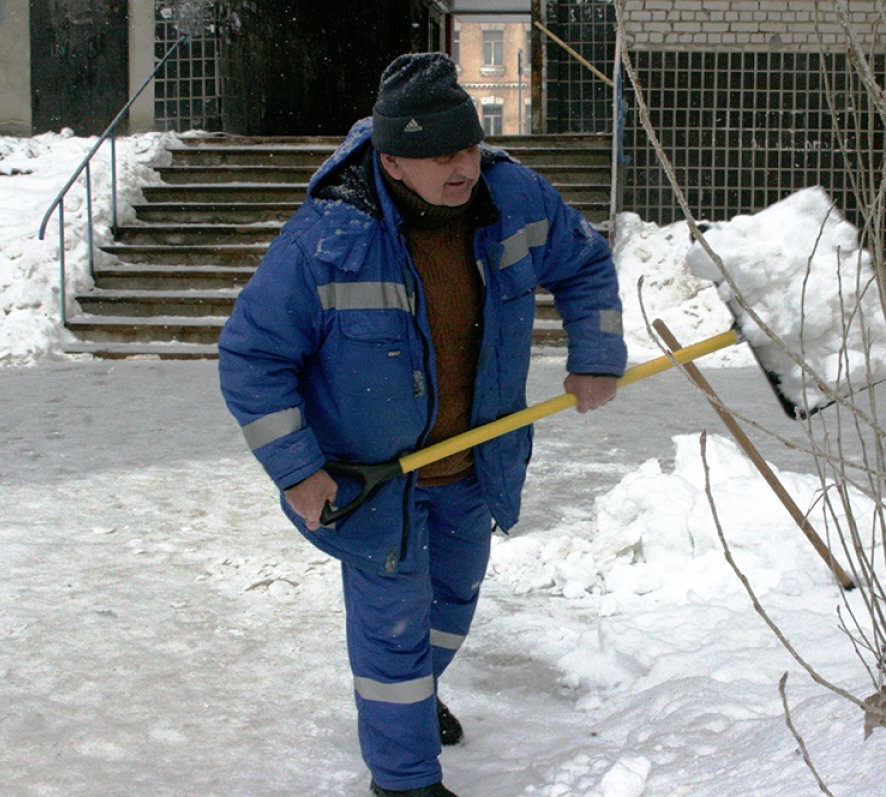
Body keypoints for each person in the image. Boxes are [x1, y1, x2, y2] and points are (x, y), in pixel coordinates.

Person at [217, 53, 626, 797]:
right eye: (441, 156)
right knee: (394, 630)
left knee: (452, 604)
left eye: (468, 147)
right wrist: (299, 472)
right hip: (371, 484)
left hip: (476, 463)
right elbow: (252, 357)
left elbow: (586, 262)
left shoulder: (514, 197)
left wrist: (595, 352)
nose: (463, 167)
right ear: (394, 161)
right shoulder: (327, 239)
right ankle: (402, 779)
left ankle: (403, 700)